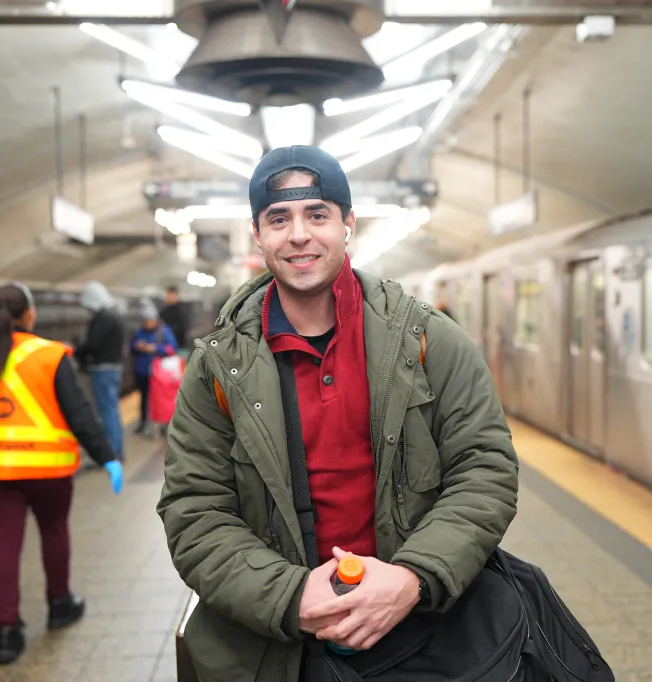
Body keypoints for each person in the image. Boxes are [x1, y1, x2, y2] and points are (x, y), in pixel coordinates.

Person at [157, 146, 518, 682]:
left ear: (348, 223)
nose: (298, 235)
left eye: (317, 214)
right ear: (258, 233)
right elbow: (194, 509)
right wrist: (290, 594)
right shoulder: (217, 366)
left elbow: (485, 469)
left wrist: (412, 578)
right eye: (278, 219)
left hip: (422, 634)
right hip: (277, 649)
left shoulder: (426, 341)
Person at [0, 282, 124, 666]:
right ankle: (59, 603)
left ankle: (7, 632)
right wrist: (107, 456)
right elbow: (78, 412)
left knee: (2, 544)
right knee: (54, 531)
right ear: (30, 314)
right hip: (46, 468)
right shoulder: (50, 354)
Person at [74, 280, 126, 460]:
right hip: (114, 368)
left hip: (103, 370)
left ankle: (111, 453)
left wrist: (77, 352)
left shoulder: (104, 318)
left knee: (107, 412)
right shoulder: (114, 315)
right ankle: (116, 450)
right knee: (111, 410)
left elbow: (92, 343)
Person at [130, 304, 177, 436]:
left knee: (159, 399)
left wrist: (155, 348)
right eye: (146, 321)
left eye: (150, 321)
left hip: (159, 374)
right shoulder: (140, 332)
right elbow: (131, 347)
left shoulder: (164, 331)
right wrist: (137, 347)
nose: (148, 324)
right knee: (144, 397)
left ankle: (163, 423)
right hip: (142, 371)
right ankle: (144, 421)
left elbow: (172, 348)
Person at [159, 285, 187, 355]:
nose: (169, 297)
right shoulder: (163, 312)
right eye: (168, 295)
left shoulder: (181, 311)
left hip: (179, 346)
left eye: (172, 295)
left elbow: (182, 329)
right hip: (164, 347)